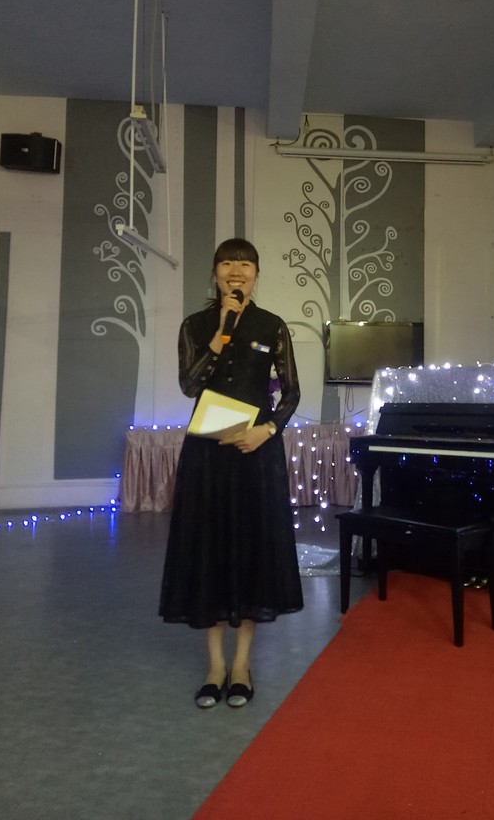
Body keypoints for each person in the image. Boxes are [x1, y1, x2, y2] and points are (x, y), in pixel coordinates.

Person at [159, 238, 303, 708]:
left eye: (245, 264)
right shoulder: (196, 325)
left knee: (249, 547)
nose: (235, 271)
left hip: (255, 451)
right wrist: (221, 332)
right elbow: (190, 384)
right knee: (210, 547)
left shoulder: (272, 326)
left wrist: (267, 430)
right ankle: (215, 666)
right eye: (226, 263)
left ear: (256, 274)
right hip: (207, 453)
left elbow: (292, 393)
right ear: (215, 272)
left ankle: (241, 664)